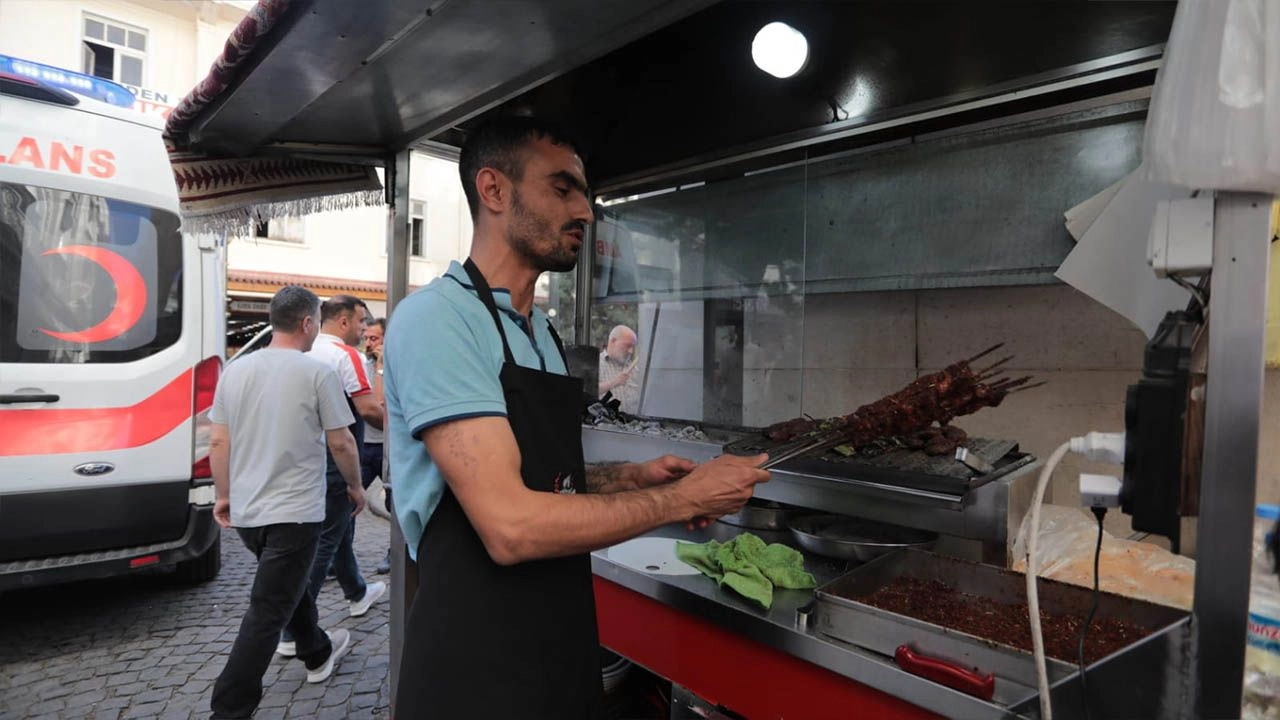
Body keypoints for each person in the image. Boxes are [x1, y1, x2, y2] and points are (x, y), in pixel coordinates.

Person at [385, 116, 770, 719]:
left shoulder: (539, 329)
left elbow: (545, 479)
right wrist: (683, 500)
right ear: (494, 191)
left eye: (584, 194)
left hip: (559, 647)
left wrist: (635, 478)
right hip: (475, 668)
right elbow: (508, 524)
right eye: (562, 189)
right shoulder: (437, 320)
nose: (586, 212)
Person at [208, 286, 365, 719]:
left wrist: (223, 495)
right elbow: (342, 442)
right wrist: (356, 487)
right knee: (268, 608)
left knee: (283, 591)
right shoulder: (316, 373)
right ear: (307, 323)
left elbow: (218, 439)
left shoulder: (235, 371)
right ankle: (230, 706)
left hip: (249, 512)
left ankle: (316, 651)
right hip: (295, 512)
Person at [278, 295, 386, 659]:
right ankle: (295, 630)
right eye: (359, 322)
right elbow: (368, 409)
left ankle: (356, 592)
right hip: (333, 457)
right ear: (342, 322)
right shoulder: (345, 356)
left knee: (337, 531)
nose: (362, 329)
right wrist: (406, 426)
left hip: (300, 454)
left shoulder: (297, 350)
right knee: (326, 539)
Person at [361, 317, 392, 574]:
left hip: (388, 446)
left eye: (375, 338)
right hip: (364, 443)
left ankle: (394, 552)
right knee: (347, 502)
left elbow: (380, 404)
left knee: (394, 504)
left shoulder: (390, 365)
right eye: (366, 338)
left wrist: (382, 366)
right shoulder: (360, 364)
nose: (369, 344)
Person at [598, 324, 640, 413]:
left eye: (633, 347)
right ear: (613, 341)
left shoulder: (635, 369)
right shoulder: (596, 363)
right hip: (605, 424)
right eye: (628, 346)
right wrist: (614, 382)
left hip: (633, 423)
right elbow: (586, 393)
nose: (631, 351)